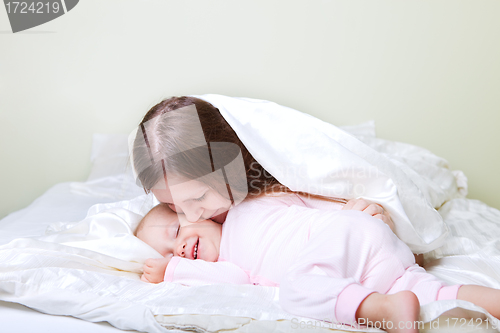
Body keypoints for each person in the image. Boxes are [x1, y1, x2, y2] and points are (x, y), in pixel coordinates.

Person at [131, 95, 430, 264]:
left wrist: (371, 218)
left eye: (198, 199)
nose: (192, 215)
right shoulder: (194, 228)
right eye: (172, 206)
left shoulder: (274, 185)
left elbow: (356, 215)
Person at [135, 201, 500, 333]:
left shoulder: (245, 213)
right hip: (374, 257)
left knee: (295, 290)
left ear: (196, 212)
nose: (179, 250)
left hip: (341, 237)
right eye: (170, 253)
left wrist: (170, 272)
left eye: (176, 232)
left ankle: (384, 311)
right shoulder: (229, 254)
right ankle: (492, 300)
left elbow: (233, 279)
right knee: (430, 292)